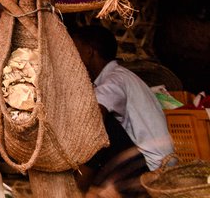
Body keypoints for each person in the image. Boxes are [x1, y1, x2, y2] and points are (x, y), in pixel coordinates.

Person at [71, 24, 174, 171]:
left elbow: (93, 120)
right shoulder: (123, 76)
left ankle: (80, 189)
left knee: (97, 124)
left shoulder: (114, 80)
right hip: (158, 162)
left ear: (88, 52)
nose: (70, 57)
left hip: (150, 168)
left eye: (75, 50)